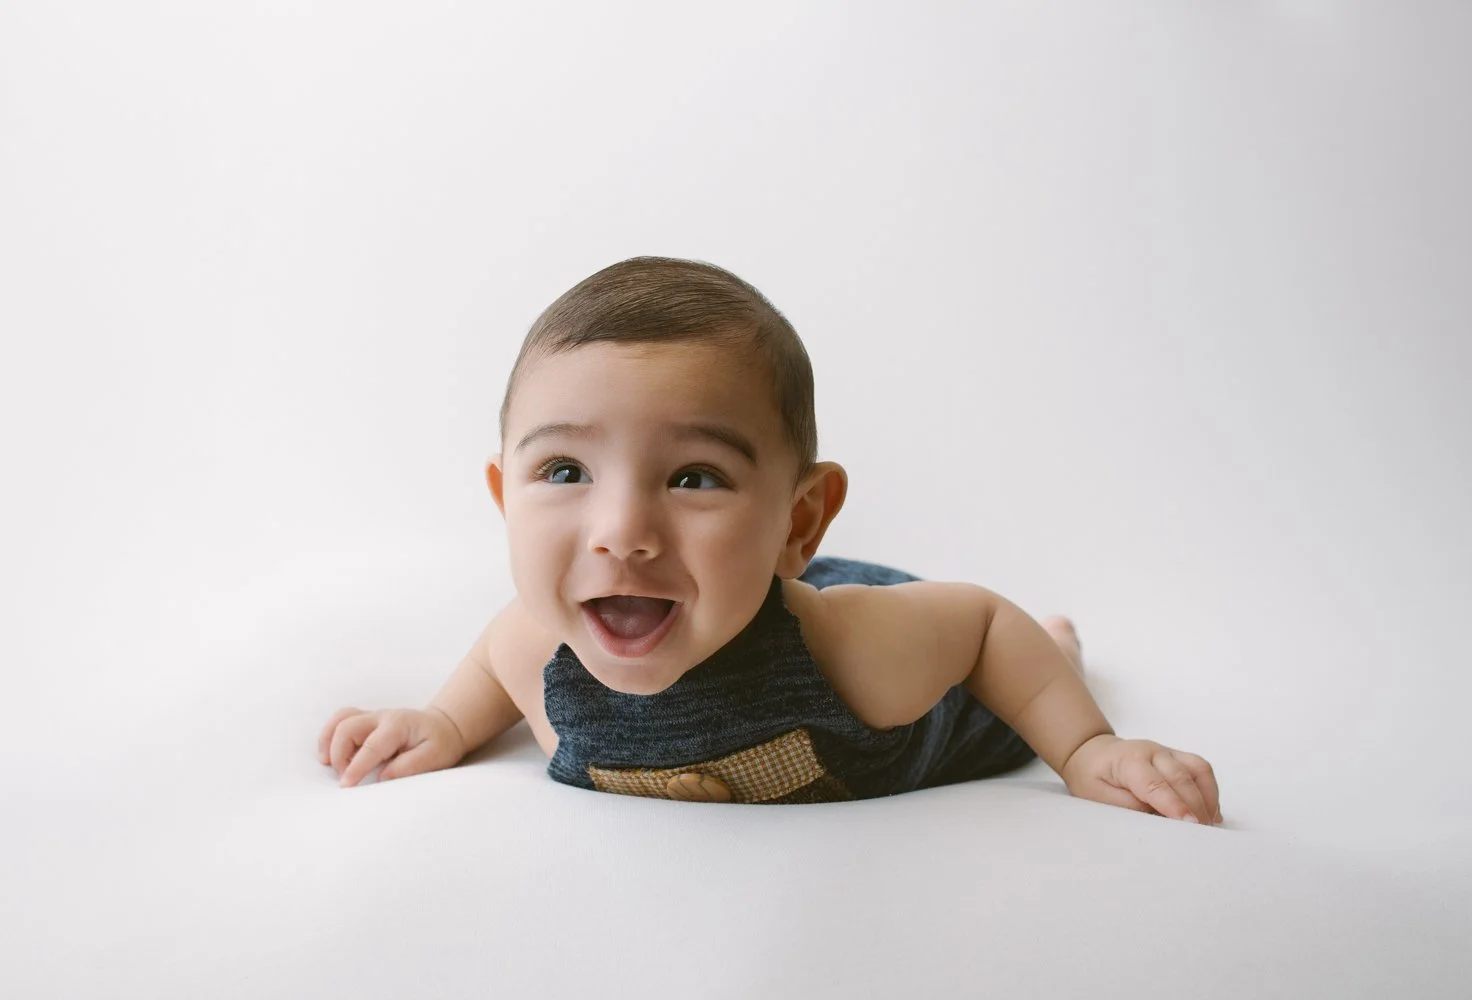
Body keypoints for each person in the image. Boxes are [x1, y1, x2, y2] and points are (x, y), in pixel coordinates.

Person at [317, 257, 1223, 822]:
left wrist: (1086, 747)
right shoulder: (534, 640)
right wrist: (441, 722)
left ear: (798, 521)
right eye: (564, 473)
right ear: (505, 499)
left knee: (1029, 663)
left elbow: (982, 627)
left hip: (923, 677)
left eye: (694, 477)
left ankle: (1063, 647)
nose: (623, 534)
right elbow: (489, 663)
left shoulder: (855, 652)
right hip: (735, 583)